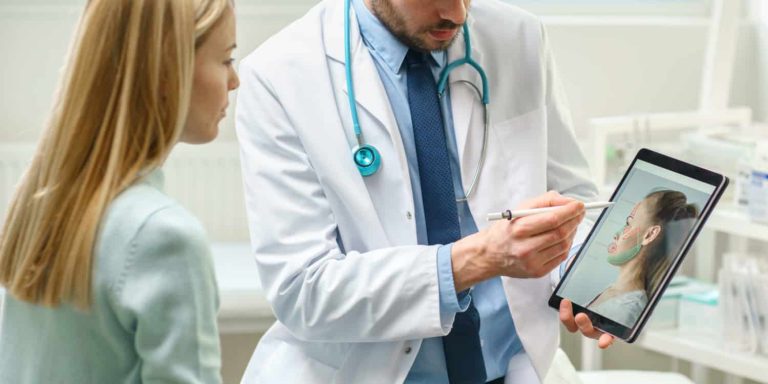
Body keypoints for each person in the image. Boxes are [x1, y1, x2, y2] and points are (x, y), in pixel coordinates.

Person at [236, 0, 613, 382]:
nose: (458, 14)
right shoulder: (279, 75)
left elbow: (574, 197)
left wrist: (579, 270)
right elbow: (304, 292)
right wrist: (476, 259)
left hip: (513, 368)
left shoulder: (519, 37)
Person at [0, 0, 239, 382]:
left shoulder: (38, 208)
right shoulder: (165, 238)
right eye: (226, 59)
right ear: (168, 69)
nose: (234, 80)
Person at [587, 190, 699, 327]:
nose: (617, 234)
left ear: (649, 235)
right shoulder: (614, 293)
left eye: (628, 224)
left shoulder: (626, 310)